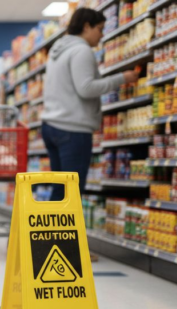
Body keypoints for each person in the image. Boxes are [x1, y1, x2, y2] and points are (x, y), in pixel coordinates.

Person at [41, 8, 139, 201]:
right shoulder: (81, 50)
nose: (102, 36)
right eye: (100, 29)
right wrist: (122, 78)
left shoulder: (58, 48)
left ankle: (52, 231)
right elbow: (86, 88)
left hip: (51, 125)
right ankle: (66, 231)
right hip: (72, 129)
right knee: (72, 192)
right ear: (87, 27)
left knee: (61, 189)